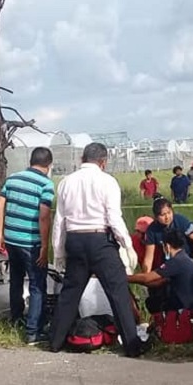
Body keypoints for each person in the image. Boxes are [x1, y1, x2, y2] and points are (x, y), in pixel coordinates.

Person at [48, 143, 147, 357]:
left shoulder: (66, 182)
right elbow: (113, 218)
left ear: (82, 158)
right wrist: (127, 245)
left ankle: (55, 341)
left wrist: (58, 251)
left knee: (70, 292)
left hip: (74, 239)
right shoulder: (107, 181)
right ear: (103, 161)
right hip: (99, 239)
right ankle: (131, 344)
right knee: (118, 290)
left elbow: (60, 221)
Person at [0, 148, 55, 344]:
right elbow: (44, 215)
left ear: (31, 161)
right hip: (31, 242)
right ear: (49, 165)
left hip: (11, 239)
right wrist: (45, 247)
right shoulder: (46, 184)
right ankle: (33, 331)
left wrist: (0, 234)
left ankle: (16, 319)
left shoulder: (12, 179)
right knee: (37, 285)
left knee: (16, 281)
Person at [128, 229, 193, 316]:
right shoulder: (187, 259)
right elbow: (159, 282)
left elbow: (147, 278)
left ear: (167, 246)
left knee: (153, 303)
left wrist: (125, 277)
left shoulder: (176, 262)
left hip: (188, 309)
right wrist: (142, 282)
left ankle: (163, 325)